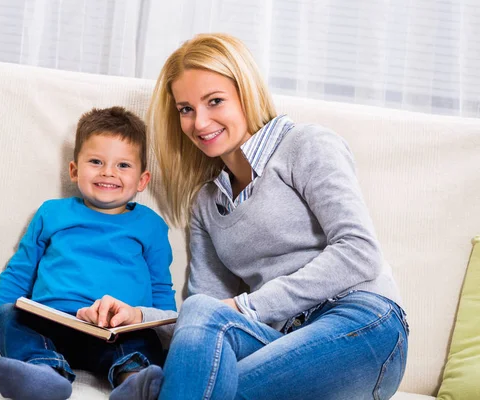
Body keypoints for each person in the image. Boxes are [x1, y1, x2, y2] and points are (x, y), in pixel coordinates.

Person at [77, 33, 410, 399]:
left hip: (361, 323)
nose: (200, 123)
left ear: (245, 93)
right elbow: (204, 322)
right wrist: (139, 318)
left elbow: (360, 251)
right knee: (201, 321)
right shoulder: (207, 203)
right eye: (186, 109)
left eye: (214, 101)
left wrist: (248, 306)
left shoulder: (306, 145)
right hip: (281, 338)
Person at [0, 106, 176, 400]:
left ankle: (134, 380)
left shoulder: (150, 226)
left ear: (142, 180)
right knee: (5, 316)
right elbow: (18, 273)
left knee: (143, 339)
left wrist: (170, 342)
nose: (108, 172)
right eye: (96, 161)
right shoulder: (52, 213)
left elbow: (161, 289)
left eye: (123, 166)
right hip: (51, 325)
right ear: (74, 170)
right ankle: (45, 372)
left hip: (115, 330)